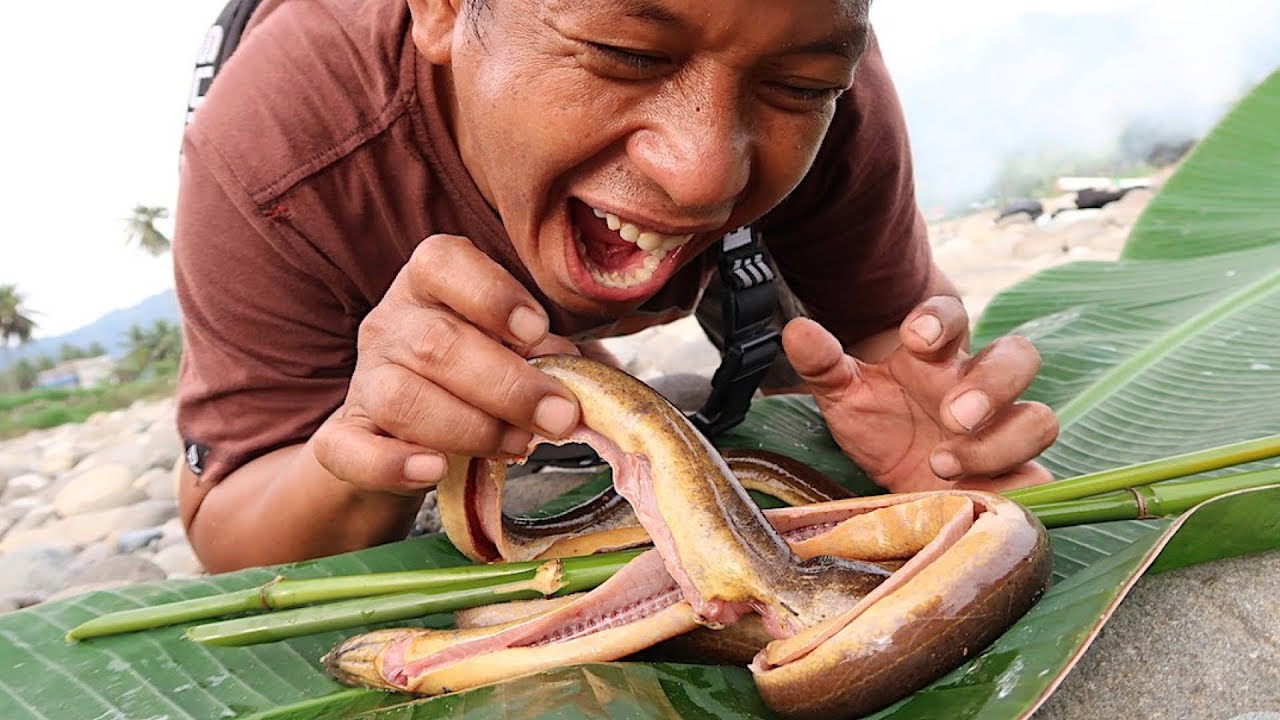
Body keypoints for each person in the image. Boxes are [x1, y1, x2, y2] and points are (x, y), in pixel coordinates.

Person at [173, 0, 1059, 573]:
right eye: (625, 54)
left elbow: (886, 339)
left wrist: (933, 431)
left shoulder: (829, 75)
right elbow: (227, 523)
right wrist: (372, 451)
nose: (702, 173)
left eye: (794, 86)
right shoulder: (276, 157)